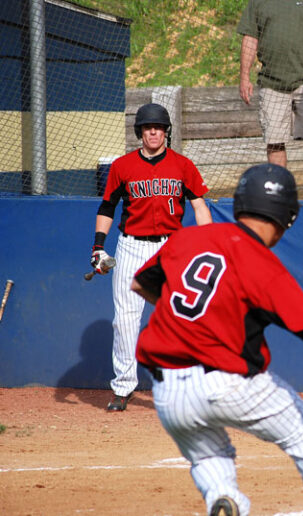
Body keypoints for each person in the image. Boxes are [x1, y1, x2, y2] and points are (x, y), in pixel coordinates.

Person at [131, 163, 303, 516]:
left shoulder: (189, 237)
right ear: (286, 217)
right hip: (228, 384)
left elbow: (140, 283)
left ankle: (226, 499)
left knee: (208, 451)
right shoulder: (262, 264)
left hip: (168, 391)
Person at [89, 102, 212, 412]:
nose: (153, 131)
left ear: (166, 131)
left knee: (180, 316)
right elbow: (107, 207)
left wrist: (206, 242)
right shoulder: (122, 166)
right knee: (126, 321)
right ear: (139, 132)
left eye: (158, 127)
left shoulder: (183, 165)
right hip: (131, 246)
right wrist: (98, 246)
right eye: (147, 127)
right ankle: (123, 387)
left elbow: (198, 205)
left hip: (171, 247)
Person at [237, 0, 303, 198]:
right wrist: (244, 76)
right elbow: (250, 38)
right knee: (275, 141)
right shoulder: (257, 2)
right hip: (271, 83)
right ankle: (280, 195)